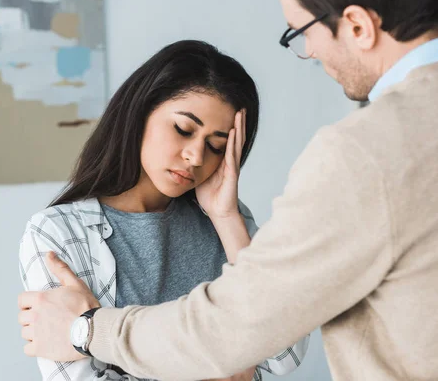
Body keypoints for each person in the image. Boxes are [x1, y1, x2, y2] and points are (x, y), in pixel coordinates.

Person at [18, 0, 438, 380]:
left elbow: (254, 338)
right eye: (183, 128)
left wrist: (85, 328)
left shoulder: (366, 153)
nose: (308, 52)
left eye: (300, 31)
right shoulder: (59, 232)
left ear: (356, 25)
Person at [18, 40, 309, 381]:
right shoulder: (58, 234)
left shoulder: (228, 221)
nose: (196, 157)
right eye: (183, 130)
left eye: (215, 146)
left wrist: (227, 220)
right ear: (141, 112)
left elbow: (283, 354)